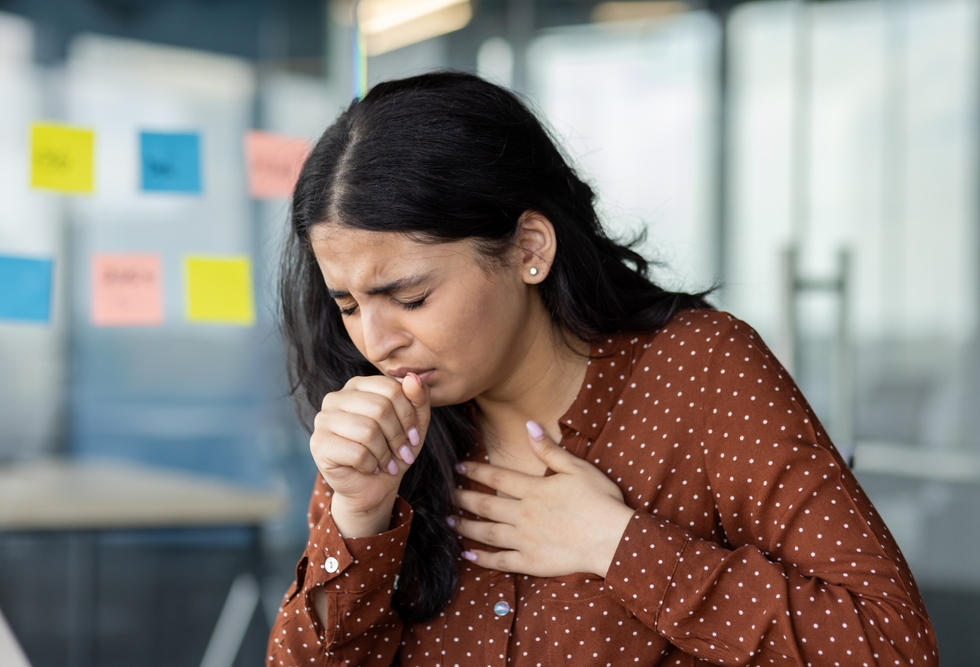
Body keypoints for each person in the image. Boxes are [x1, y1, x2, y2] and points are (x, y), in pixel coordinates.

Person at [269, 72, 937, 667]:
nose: (377, 340)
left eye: (411, 296)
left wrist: (617, 543)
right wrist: (358, 513)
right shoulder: (381, 435)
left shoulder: (697, 372)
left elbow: (891, 645)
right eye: (348, 303)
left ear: (529, 249)